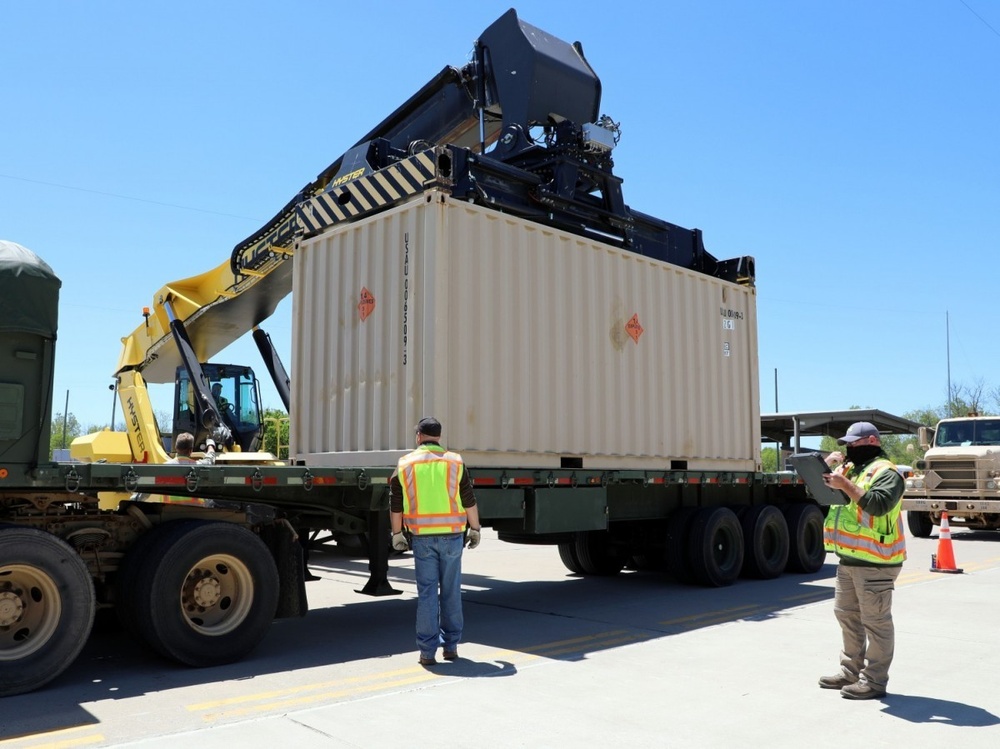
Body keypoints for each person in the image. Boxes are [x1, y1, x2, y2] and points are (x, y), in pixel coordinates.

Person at [819, 421, 906, 700]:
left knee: (876, 622)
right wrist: (824, 466)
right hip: (849, 559)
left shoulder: (887, 472)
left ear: (870, 441)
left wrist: (845, 484)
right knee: (847, 617)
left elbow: (879, 505)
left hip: (877, 560)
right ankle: (850, 671)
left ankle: (875, 680)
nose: (848, 448)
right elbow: (822, 493)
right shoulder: (850, 469)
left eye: (852, 444)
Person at [389, 417, 481, 666]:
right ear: (438, 436)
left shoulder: (405, 464)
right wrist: (475, 528)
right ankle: (450, 647)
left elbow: (395, 503)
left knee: (427, 594)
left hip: (421, 539)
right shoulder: (454, 462)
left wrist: (397, 533)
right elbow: (469, 498)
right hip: (452, 537)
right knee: (451, 592)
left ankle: (427, 653)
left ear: (418, 436)